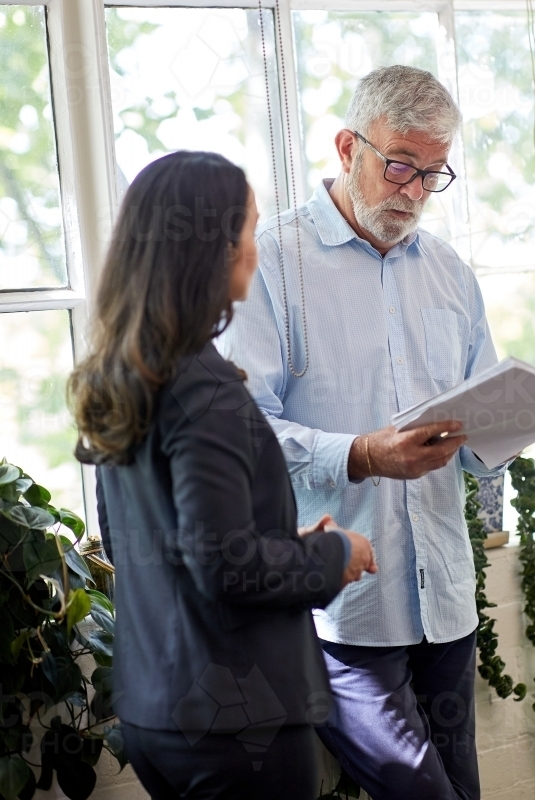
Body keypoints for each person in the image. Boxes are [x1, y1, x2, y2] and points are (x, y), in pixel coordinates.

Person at [221, 65, 507, 800]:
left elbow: (480, 433)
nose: (413, 193)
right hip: (339, 612)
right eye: (399, 166)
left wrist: (510, 427)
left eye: (432, 174)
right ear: (347, 147)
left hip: (443, 595)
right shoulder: (271, 264)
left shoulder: (449, 273)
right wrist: (357, 454)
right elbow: (241, 432)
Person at [69, 150, 377, 800]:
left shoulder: (125, 377)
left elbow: (150, 546)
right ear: (206, 247)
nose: (253, 249)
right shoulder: (202, 388)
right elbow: (225, 568)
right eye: (246, 229)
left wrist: (280, 540)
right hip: (240, 727)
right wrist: (329, 553)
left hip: (158, 713)